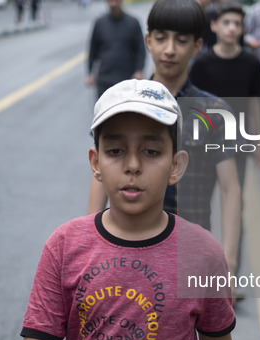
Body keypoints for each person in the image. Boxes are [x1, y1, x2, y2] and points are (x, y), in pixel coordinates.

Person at [7, 79, 239, 340]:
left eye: (151, 151)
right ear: (95, 162)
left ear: (176, 165)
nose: (132, 165)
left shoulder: (203, 254)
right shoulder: (64, 246)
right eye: (115, 151)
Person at [87, 0, 242, 282]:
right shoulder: (123, 106)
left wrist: (228, 262)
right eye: (161, 38)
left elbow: (230, 189)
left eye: (181, 40)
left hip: (189, 252)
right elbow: (101, 174)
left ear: (196, 46)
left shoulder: (214, 113)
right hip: (126, 248)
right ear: (148, 41)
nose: (169, 49)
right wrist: (89, 244)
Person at [189, 0, 260, 276]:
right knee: (199, 209)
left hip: (237, 146)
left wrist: (259, 141)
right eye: (226, 23)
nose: (232, 28)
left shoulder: (251, 63)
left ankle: (230, 275)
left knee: (234, 205)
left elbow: (256, 102)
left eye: (237, 23)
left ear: (243, 28)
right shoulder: (200, 63)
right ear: (214, 26)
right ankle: (201, 271)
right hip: (202, 147)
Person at [86, 0, 146, 99]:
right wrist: (89, 73)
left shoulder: (133, 23)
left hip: (127, 80)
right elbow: (93, 49)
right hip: (104, 79)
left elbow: (140, 49)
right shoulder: (100, 23)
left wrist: (139, 70)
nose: (113, 4)